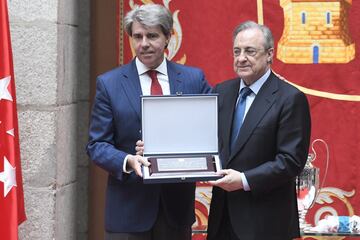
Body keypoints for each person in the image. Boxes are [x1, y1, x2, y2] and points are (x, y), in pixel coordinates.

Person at [86, 4, 211, 240]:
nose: (144, 43)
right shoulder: (109, 84)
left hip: (175, 210)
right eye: (137, 36)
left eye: (152, 35)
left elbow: (212, 129)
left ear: (168, 37)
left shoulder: (194, 79)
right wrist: (127, 160)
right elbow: (96, 145)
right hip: (127, 212)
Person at [206, 21, 311, 240]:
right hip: (222, 219)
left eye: (250, 51)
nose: (241, 58)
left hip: (266, 223)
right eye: (237, 51)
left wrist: (244, 179)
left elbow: (290, 161)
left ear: (269, 54)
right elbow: (205, 141)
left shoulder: (290, 98)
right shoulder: (221, 92)